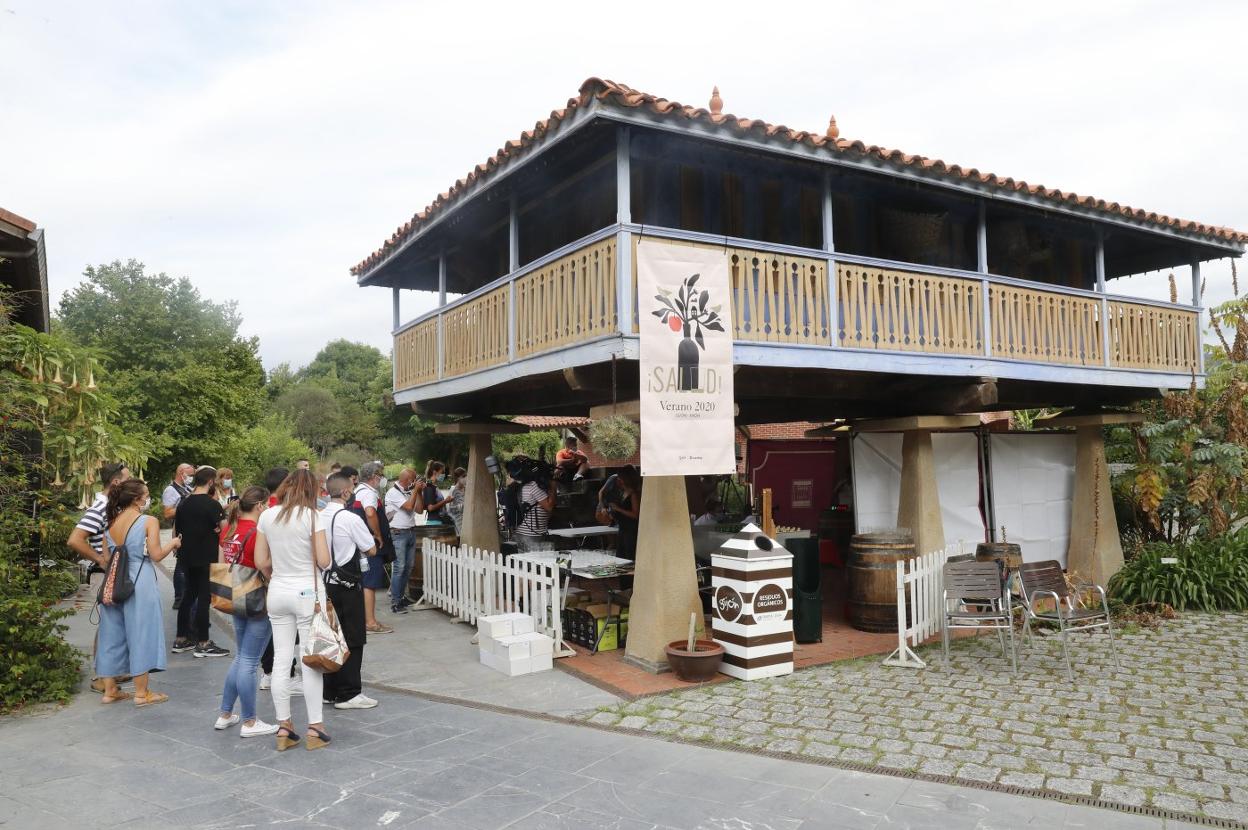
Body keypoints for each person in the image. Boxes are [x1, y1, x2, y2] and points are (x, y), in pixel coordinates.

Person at [254, 469, 333, 750]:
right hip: (307, 593)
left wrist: (280, 570)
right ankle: (315, 727)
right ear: (312, 491)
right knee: (309, 659)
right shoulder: (312, 517)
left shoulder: (267, 516)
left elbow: (260, 559)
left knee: (281, 660)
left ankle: (283, 726)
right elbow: (324, 560)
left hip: (278, 591)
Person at [95, 479, 182, 706]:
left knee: (110, 634)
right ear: (137, 498)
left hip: (113, 580)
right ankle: (142, 693)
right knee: (141, 631)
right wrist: (173, 543)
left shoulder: (110, 522)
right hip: (138, 581)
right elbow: (155, 555)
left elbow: (105, 559)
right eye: (146, 494)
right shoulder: (148, 521)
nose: (147, 498)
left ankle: (110, 690)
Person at [213, 486, 280, 737]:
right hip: (257, 598)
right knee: (250, 662)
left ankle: (225, 713)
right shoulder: (258, 532)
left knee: (241, 657)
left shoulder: (229, 529)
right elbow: (263, 563)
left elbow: (222, 563)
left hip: (233, 595)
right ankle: (250, 722)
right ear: (261, 506)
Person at [67, 462, 131, 694]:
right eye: (127, 479)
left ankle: (109, 671)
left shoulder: (110, 506)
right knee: (108, 625)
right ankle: (102, 676)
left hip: (110, 573)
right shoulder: (100, 508)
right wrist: (101, 560)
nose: (131, 483)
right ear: (116, 483)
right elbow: (75, 539)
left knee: (111, 624)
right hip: (105, 574)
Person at [320, 472, 378, 710]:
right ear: (345, 492)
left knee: (331, 636)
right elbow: (371, 549)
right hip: (347, 584)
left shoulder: (318, 516)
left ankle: (329, 689)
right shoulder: (350, 518)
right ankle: (349, 692)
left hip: (325, 582)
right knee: (353, 637)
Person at [172, 466, 230, 658]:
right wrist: (217, 530)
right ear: (211, 482)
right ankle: (203, 642)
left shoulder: (183, 504)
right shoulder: (212, 505)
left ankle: (181, 639)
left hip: (186, 556)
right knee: (204, 598)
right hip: (206, 556)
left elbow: (176, 531)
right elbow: (226, 530)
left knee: (188, 595)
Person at [352, 462, 394, 633]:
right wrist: (377, 534)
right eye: (380, 475)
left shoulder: (357, 491)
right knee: (370, 583)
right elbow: (370, 512)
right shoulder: (368, 493)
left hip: (360, 544)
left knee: (365, 582)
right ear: (374, 476)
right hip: (369, 545)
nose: (382, 478)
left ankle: (367, 619)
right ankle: (370, 622)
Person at [384, 468, 422, 614]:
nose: (414, 483)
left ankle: (401, 596)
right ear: (407, 480)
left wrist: (419, 492)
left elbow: (419, 509)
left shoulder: (409, 491)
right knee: (399, 567)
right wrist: (415, 490)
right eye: (413, 480)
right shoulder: (393, 493)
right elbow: (408, 506)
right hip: (398, 533)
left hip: (411, 531)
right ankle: (395, 602)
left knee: (408, 567)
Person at [163, 462, 194, 609]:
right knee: (181, 564)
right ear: (182, 473)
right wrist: (186, 506)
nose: (192, 478)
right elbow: (167, 513)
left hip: (191, 528)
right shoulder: (171, 490)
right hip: (180, 530)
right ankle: (179, 597)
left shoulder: (187, 488)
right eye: (191, 474)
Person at [603, 465, 640, 560]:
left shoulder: (633, 494)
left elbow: (636, 515)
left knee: (629, 556)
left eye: (620, 478)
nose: (618, 480)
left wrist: (619, 509)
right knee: (620, 557)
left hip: (631, 530)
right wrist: (610, 512)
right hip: (622, 529)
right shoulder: (622, 492)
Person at [515, 470, 556, 553]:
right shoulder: (533, 486)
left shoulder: (523, 486)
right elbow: (549, 507)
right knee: (535, 563)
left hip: (522, 533)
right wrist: (553, 487)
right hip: (531, 535)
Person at [447, 467, 467, 536]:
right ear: (458, 478)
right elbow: (449, 509)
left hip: (466, 521)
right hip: (457, 522)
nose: (466, 478)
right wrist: (462, 506)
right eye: (463, 476)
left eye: (466, 476)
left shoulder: (466, 489)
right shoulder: (453, 490)